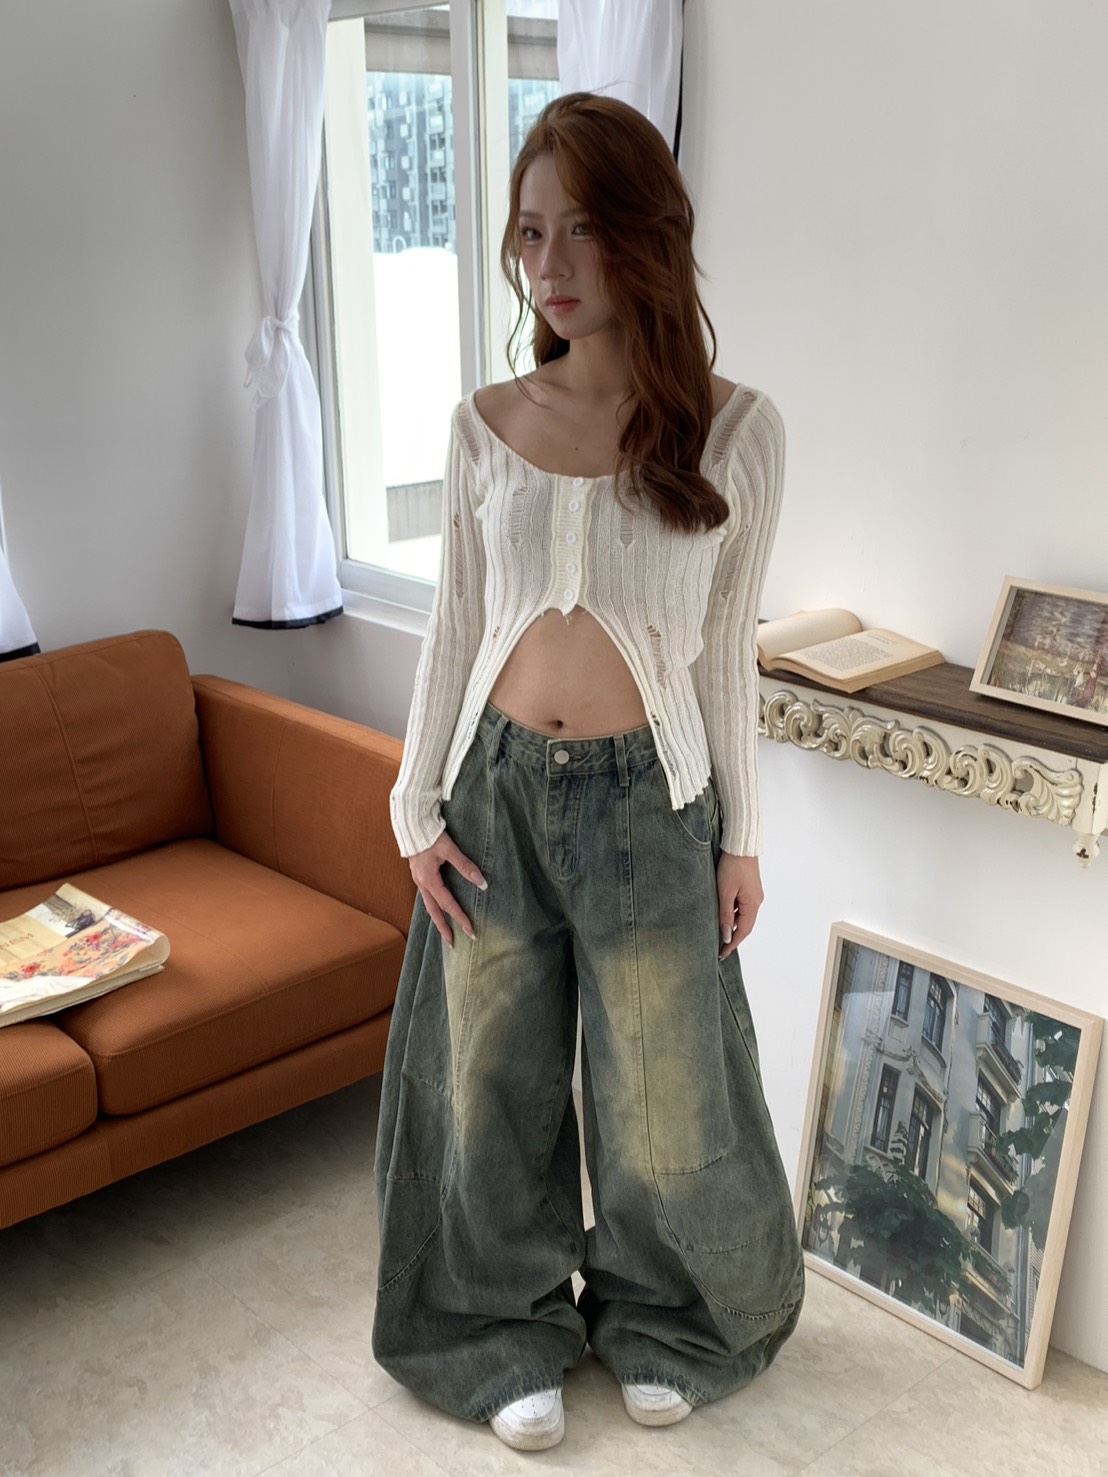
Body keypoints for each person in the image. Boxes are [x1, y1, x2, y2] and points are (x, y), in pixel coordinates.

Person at [373, 91, 803, 1452]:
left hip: (653, 803)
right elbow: (453, 626)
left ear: (646, 234)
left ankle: (670, 1318)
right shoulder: (482, 423)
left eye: (581, 229)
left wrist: (742, 835)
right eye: (528, 231)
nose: (547, 262)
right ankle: (495, 1330)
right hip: (491, 794)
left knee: (666, 1097)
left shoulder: (734, 431)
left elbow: (728, 651)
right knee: (487, 1085)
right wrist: (414, 806)